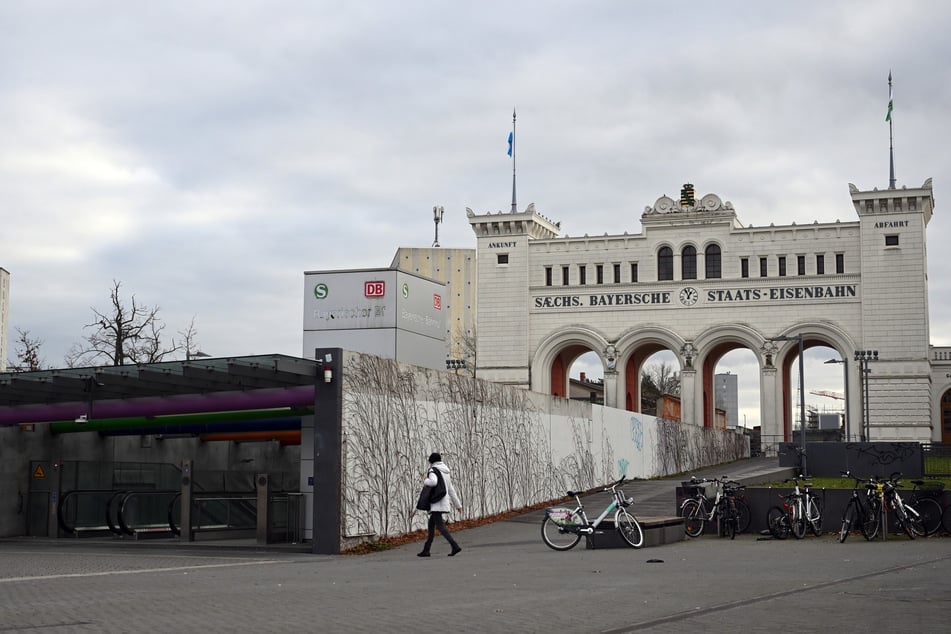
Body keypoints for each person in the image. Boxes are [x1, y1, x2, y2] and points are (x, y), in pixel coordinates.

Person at [418, 452, 463, 557]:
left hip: (436, 502)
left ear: (431, 461)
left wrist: (425, 481)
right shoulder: (446, 471)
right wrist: (458, 505)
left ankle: (455, 546)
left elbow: (433, 482)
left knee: (441, 526)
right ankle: (426, 550)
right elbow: (451, 489)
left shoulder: (433, 470)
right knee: (431, 525)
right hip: (443, 502)